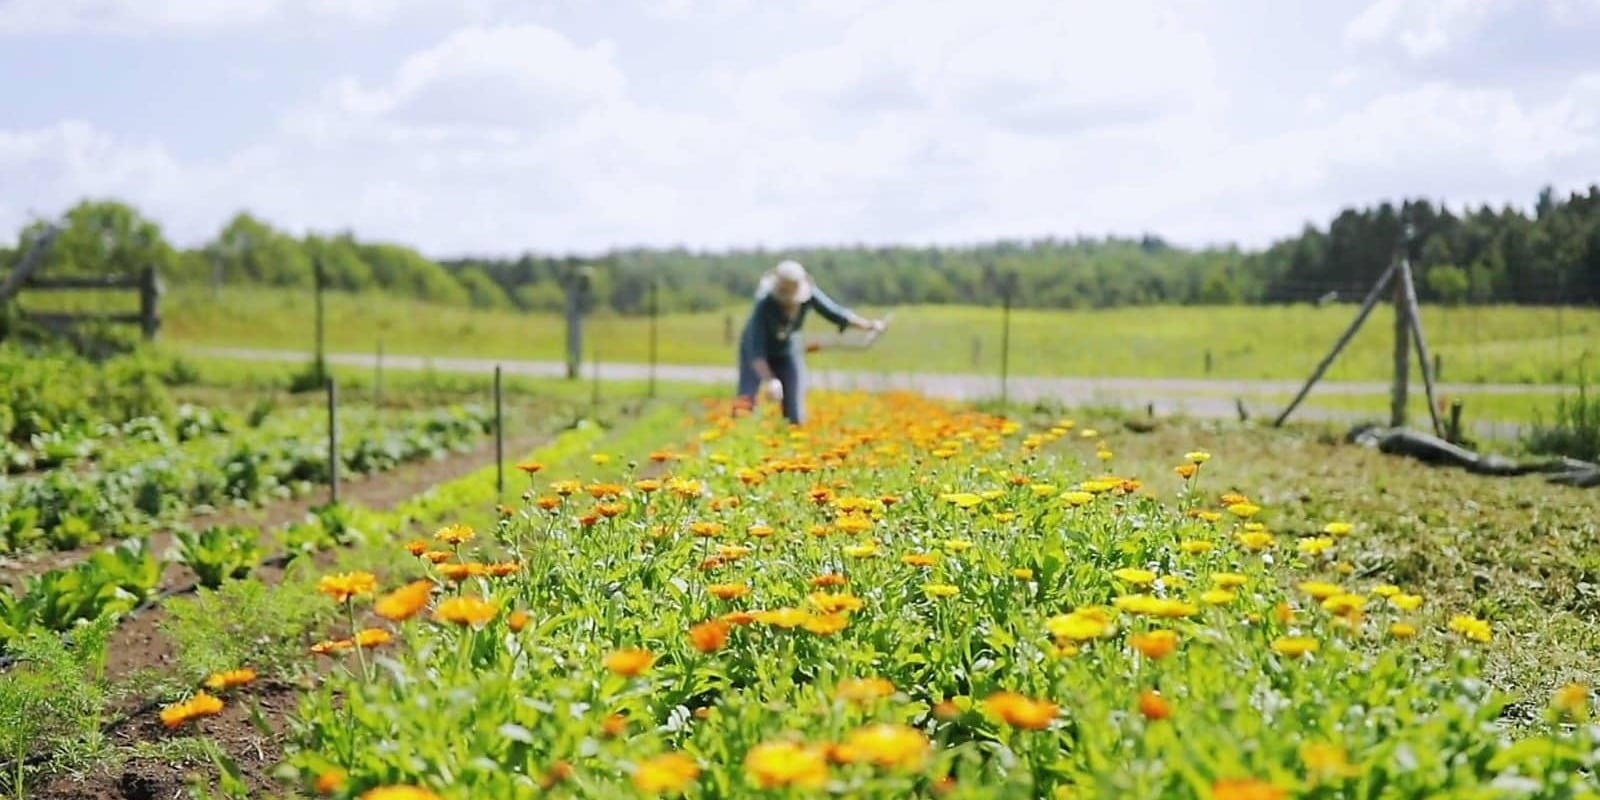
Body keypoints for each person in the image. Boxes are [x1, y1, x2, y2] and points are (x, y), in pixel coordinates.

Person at [736, 260, 885, 425]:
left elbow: (836, 313)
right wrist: (770, 380)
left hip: (787, 351)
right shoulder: (763, 304)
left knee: (795, 409)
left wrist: (868, 325)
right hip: (755, 355)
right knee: (746, 400)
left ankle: (792, 433)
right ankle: (739, 429)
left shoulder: (809, 295)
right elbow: (756, 352)